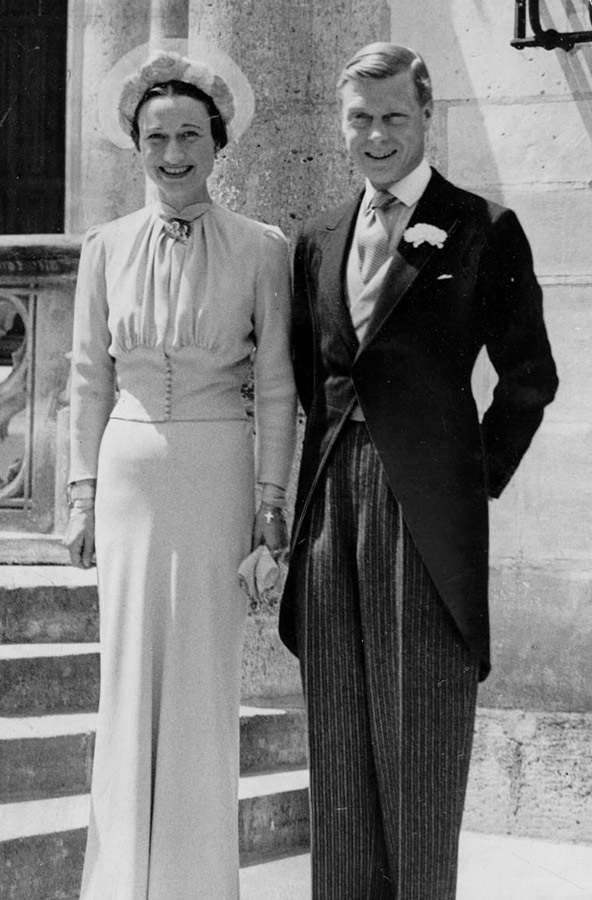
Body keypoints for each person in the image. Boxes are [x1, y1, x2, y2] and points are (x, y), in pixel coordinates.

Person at [279, 42, 558, 899]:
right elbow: (314, 374)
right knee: (341, 749)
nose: (375, 134)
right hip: (331, 501)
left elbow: (528, 376)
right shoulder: (319, 236)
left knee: (420, 744)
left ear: (426, 117)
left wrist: (466, 479)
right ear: (341, 123)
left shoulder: (480, 226)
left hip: (423, 513)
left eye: (394, 115)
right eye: (360, 117)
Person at [64, 49, 296, 900]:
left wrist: (271, 502)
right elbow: (86, 377)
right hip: (126, 474)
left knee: (203, 680)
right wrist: (81, 494)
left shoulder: (262, 248)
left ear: (217, 143)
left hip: (217, 470)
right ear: (135, 144)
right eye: (156, 136)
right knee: (125, 677)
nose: (173, 153)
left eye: (190, 134)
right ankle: (121, 883)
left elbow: (275, 383)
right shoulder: (104, 247)